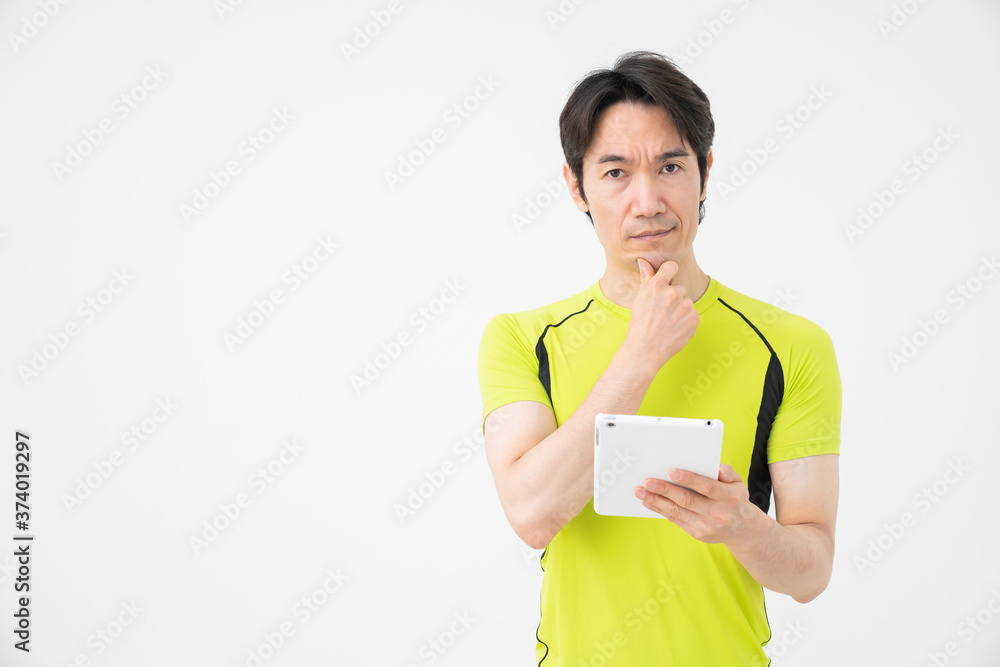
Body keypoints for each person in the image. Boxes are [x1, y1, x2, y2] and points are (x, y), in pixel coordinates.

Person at [477, 50, 842, 665]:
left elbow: (812, 573)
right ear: (577, 186)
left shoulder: (793, 345)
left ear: (704, 173)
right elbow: (532, 514)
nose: (646, 201)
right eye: (615, 172)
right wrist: (640, 355)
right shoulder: (521, 338)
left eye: (670, 166)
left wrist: (743, 526)